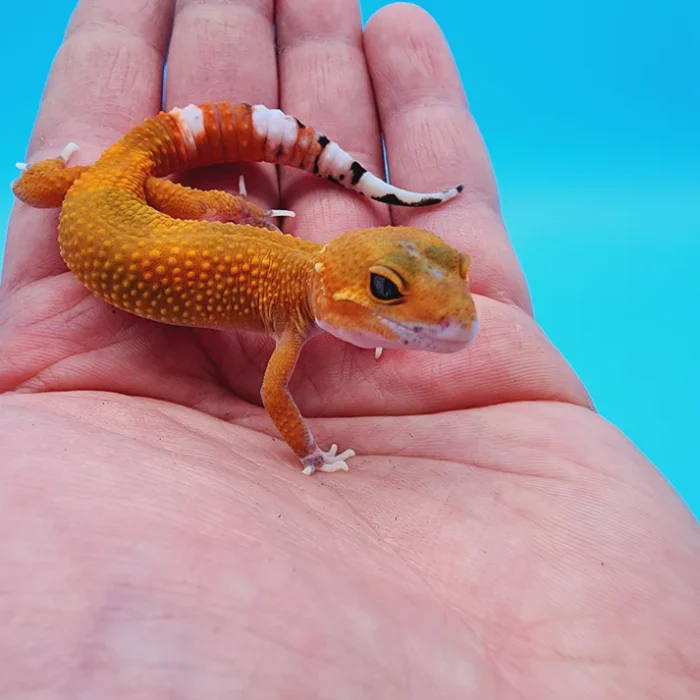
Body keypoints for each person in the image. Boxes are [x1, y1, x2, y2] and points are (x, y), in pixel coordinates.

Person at [1, 0, 697, 696]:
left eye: (447, 270)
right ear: (337, 294)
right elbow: (277, 394)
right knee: (37, 191)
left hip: (124, 193)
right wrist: (308, 452)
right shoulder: (298, 312)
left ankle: (81, 177)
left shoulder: (307, 276)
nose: (450, 319)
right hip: (102, 206)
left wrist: (239, 221)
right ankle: (41, 177)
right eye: (389, 292)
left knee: (148, 186)